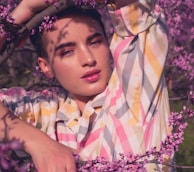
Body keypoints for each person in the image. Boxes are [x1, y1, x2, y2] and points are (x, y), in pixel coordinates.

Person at [0, 0, 172, 171]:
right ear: (45, 66)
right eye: (67, 52)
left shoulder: (136, 92)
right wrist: (17, 17)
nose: (88, 59)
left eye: (95, 42)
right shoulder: (44, 113)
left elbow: (135, 8)